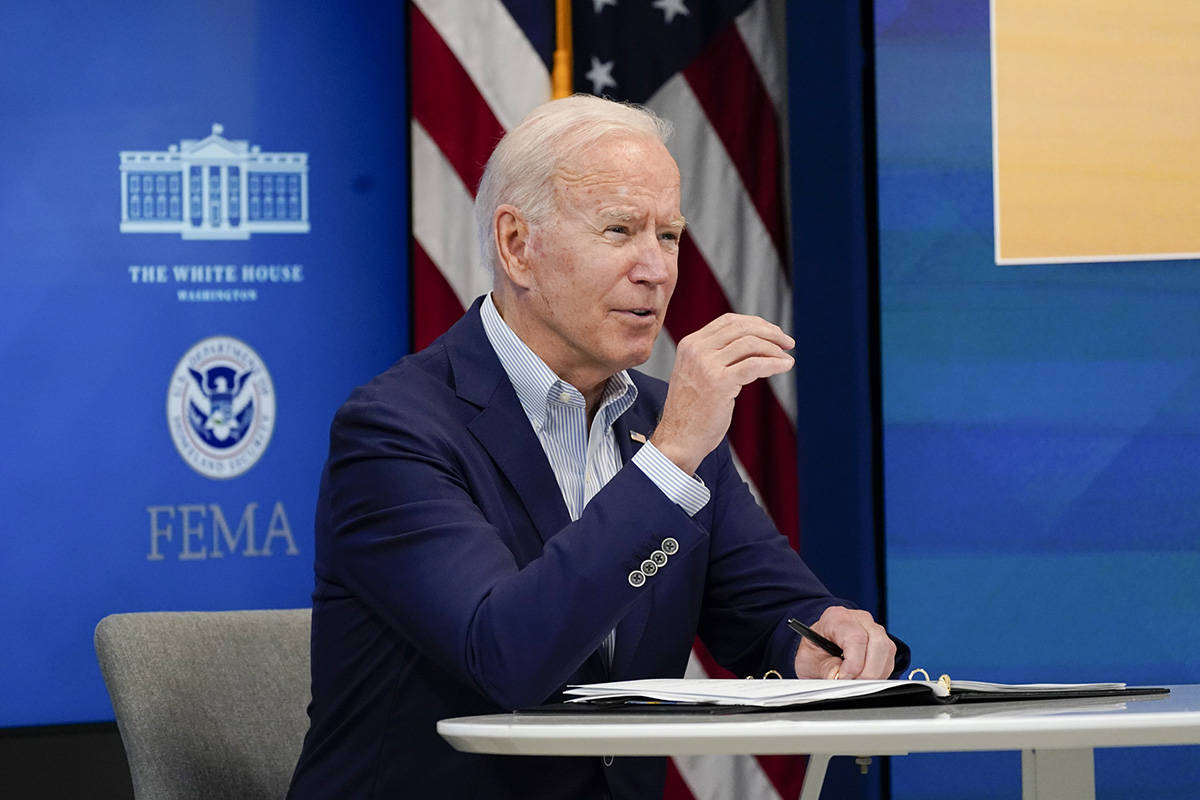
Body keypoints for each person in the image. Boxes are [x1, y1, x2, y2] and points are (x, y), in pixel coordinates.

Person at [287, 94, 908, 799]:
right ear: (517, 246)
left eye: (668, 236)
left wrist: (823, 641)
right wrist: (670, 457)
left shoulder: (660, 419)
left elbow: (767, 613)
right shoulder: (393, 433)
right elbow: (508, 655)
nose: (658, 270)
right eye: (619, 231)